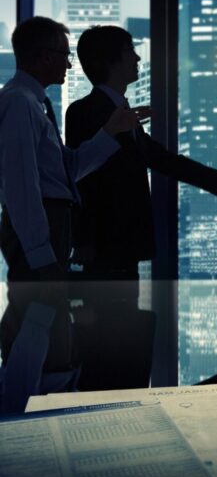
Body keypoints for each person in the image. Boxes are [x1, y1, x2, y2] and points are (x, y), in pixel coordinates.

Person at [65, 25, 217, 280]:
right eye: (129, 50)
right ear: (109, 59)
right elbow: (83, 179)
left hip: (124, 242)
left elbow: (160, 158)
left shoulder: (124, 113)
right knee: (112, 314)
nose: (137, 58)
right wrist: (84, 240)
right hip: (106, 245)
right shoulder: (84, 110)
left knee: (125, 314)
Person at [0, 17, 144, 281]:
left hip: (50, 224)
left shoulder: (32, 103)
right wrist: (42, 256)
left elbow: (70, 170)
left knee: (40, 313)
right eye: (64, 55)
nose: (68, 64)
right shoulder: (20, 103)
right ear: (45, 57)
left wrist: (110, 130)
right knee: (36, 311)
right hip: (44, 224)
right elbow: (21, 185)